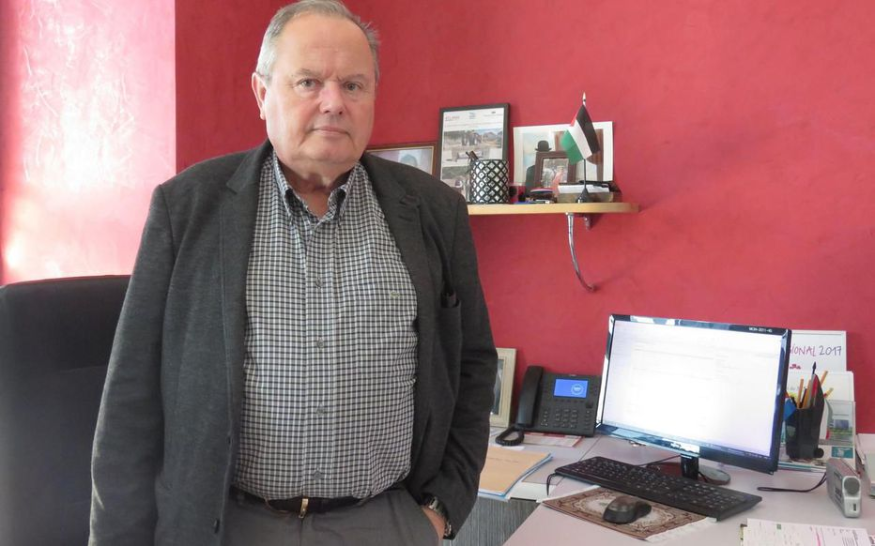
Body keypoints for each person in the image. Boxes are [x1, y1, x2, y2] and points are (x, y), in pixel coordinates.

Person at [88, 1, 497, 545]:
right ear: (262, 93)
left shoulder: (434, 211)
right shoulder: (186, 209)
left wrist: (442, 508)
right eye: (309, 82)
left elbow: (472, 365)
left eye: (353, 85)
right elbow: (130, 402)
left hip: (386, 522)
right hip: (227, 526)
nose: (334, 103)